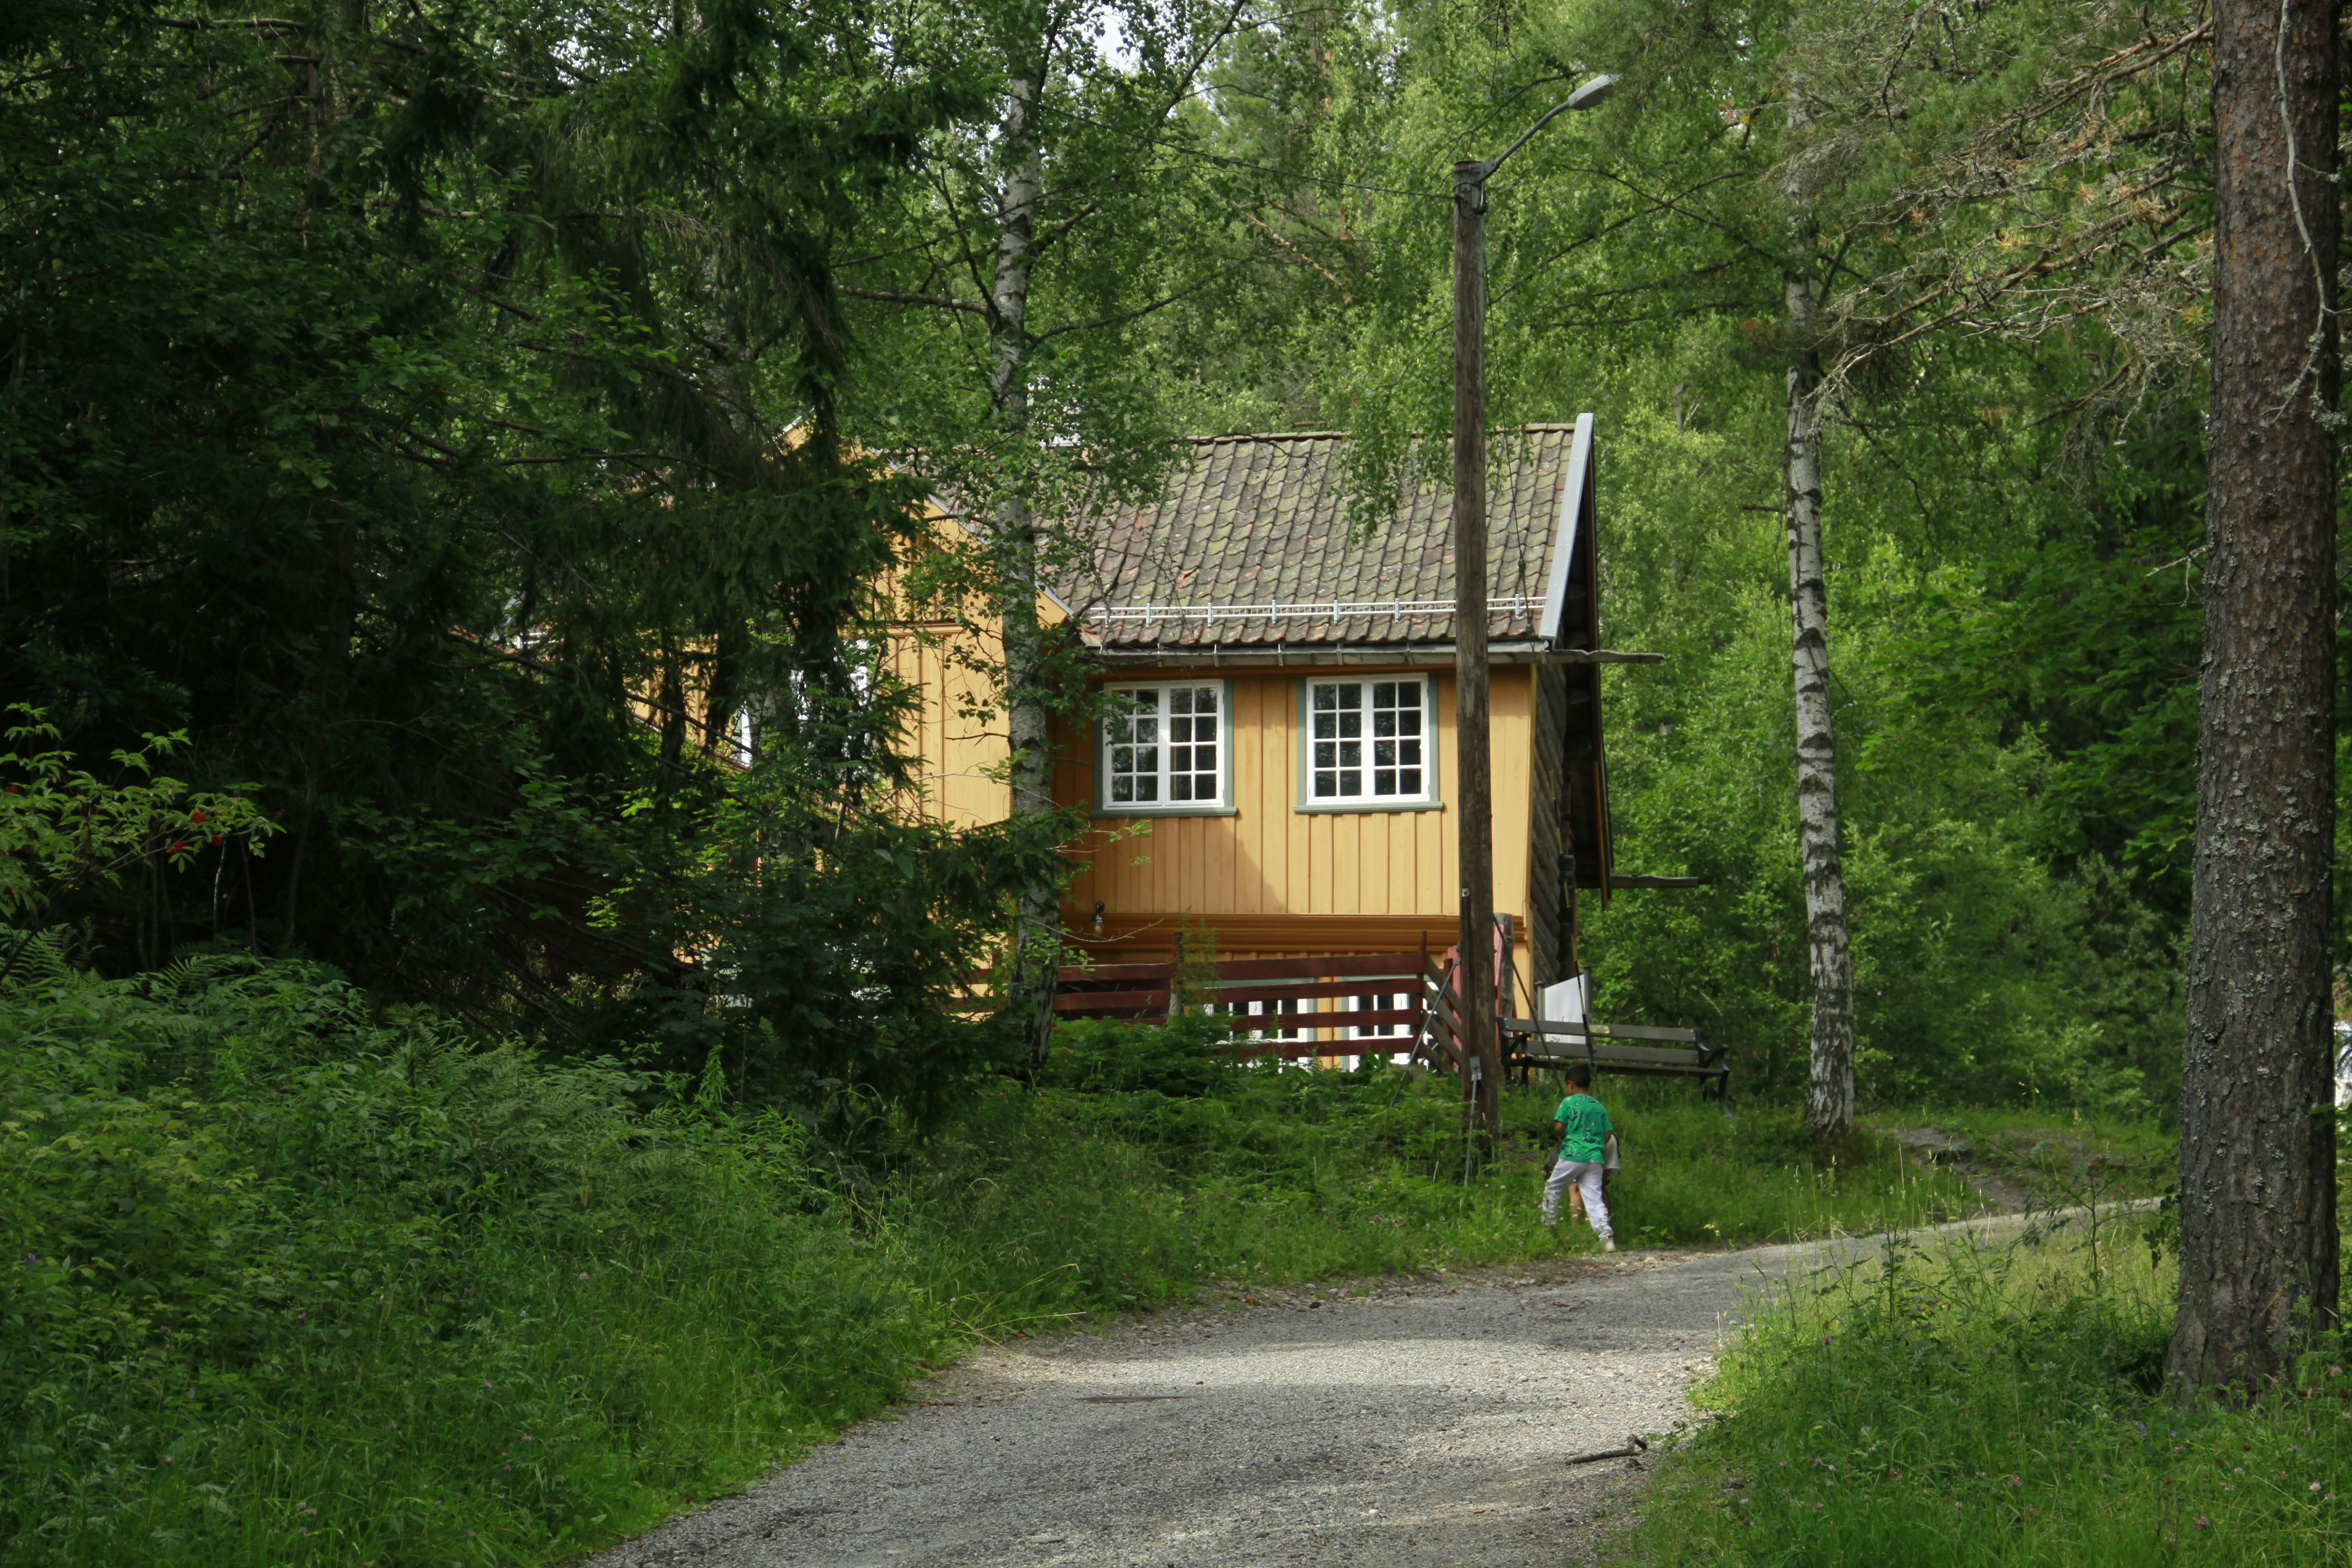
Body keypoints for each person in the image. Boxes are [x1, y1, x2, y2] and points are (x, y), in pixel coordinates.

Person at [1541, 1062, 1616, 1250]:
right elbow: (1608, 1133)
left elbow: (1558, 1127)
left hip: (1572, 1155)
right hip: (1594, 1159)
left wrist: (1566, 1137)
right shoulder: (1599, 1106)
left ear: (1570, 1084)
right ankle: (1607, 1239)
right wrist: (1597, 1147)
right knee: (1594, 1198)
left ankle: (1547, 1231)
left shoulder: (1568, 1102)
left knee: (1553, 1188)